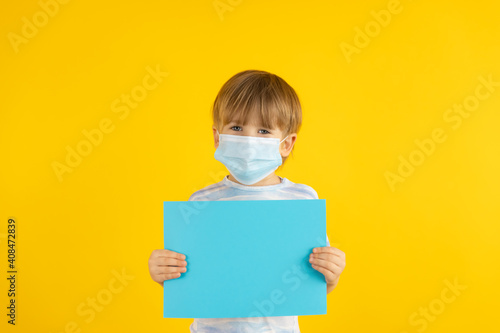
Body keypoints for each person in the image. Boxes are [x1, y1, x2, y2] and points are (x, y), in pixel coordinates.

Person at [148, 69, 346, 332]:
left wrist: (332, 273)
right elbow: (190, 280)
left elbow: (314, 282)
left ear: (286, 144)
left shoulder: (302, 201)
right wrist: (162, 272)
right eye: (237, 127)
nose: (249, 140)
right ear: (218, 138)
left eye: (264, 130)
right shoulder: (201, 203)